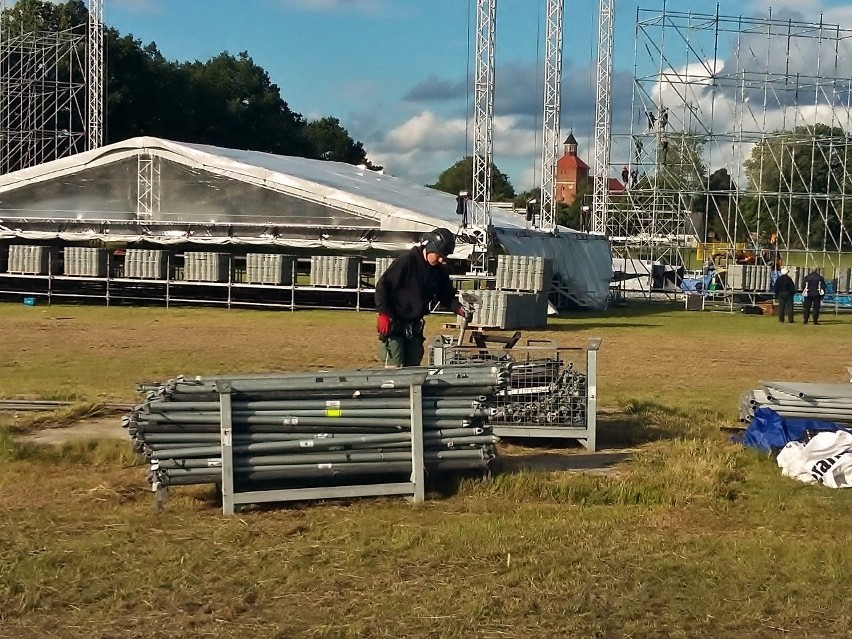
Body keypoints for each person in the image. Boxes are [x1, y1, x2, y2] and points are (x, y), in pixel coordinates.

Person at [375, 228, 469, 367]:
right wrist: (383, 313)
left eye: (445, 256)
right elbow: (383, 285)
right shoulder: (407, 261)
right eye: (438, 255)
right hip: (394, 321)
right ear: (429, 248)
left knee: (413, 366)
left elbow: (446, 294)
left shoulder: (439, 271)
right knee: (395, 366)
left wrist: (458, 308)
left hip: (413, 325)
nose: (441, 259)